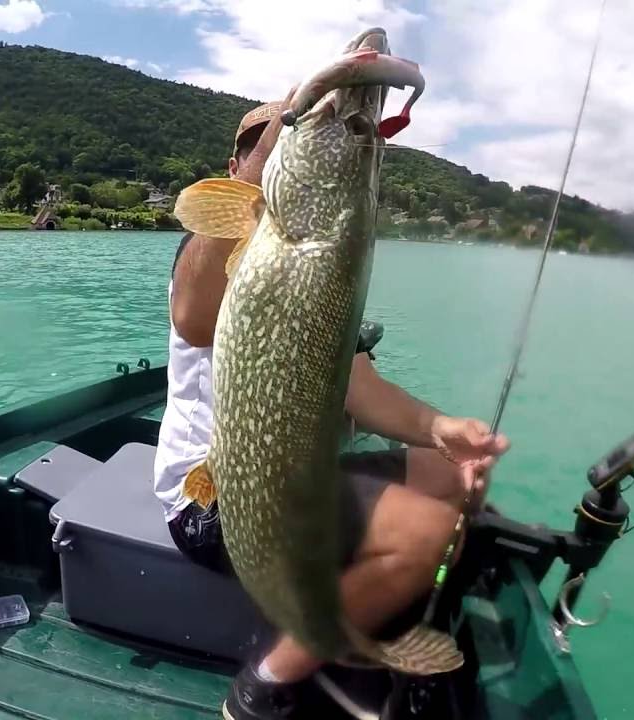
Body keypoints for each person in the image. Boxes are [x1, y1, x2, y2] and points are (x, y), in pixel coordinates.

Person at [153, 97, 511, 720]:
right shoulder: (211, 258)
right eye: (258, 143)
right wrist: (267, 161)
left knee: (452, 473)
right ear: (237, 162)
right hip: (217, 499)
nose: (272, 149)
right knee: (426, 532)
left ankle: (361, 612)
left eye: (280, 139)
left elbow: (357, 385)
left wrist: (441, 429)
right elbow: (192, 315)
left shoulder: (318, 267)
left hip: (299, 478)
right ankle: (266, 680)